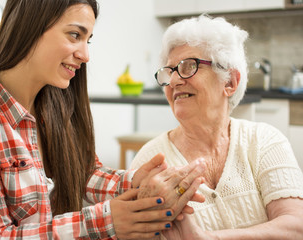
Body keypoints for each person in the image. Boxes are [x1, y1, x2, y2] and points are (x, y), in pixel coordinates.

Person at [0, 1, 206, 239]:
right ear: (30, 27)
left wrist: (136, 181)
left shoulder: (53, 107)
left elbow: (82, 175)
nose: (85, 54)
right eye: (74, 35)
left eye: (87, 40)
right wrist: (107, 221)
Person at [130, 14, 303, 240]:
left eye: (188, 66)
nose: (173, 81)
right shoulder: (150, 162)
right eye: (169, 71)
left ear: (229, 82)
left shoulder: (264, 140)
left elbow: (296, 227)